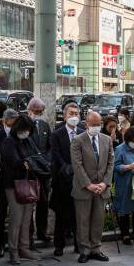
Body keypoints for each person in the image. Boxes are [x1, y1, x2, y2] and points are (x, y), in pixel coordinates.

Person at [71, 112, 114, 263]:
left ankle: (96, 248)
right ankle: (84, 250)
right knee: (83, 220)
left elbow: (110, 163)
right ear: (86, 124)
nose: (96, 127)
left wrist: (104, 183)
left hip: (101, 188)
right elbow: (77, 164)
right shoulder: (78, 140)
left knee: (98, 219)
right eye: (93, 125)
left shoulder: (107, 139)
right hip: (84, 188)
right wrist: (88, 184)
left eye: (98, 124)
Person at [0, 116, 38, 264]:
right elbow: (15, 162)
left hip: (28, 182)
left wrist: (29, 162)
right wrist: (27, 162)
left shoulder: (28, 140)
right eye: (24, 129)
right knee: (16, 218)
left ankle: (24, 248)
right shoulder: (9, 141)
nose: (26, 132)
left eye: (28, 130)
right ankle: (13, 251)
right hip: (13, 184)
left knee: (27, 218)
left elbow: (36, 157)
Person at [50, 103, 84, 257]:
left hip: (80, 181)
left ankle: (79, 244)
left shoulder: (84, 133)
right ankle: (59, 246)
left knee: (79, 216)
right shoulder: (57, 134)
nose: (74, 116)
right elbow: (55, 155)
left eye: (76, 113)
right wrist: (67, 168)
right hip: (62, 181)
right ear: (64, 116)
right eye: (71, 113)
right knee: (61, 217)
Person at [0, 108, 18, 258]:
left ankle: (16, 244)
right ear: (4, 121)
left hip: (16, 181)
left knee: (16, 214)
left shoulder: (18, 135)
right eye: (10, 123)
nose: (12, 126)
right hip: (1, 180)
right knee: (0, 214)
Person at [27, 98, 53, 244]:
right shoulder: (25, 125)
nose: (39, 114)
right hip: (31, 171)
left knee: (44, 202)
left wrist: (47, 162)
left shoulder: (44, 125)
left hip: (44, 171)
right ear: (30, 110)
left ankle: (42, 232)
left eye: (41, 112)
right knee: (29, 203)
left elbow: (50, 145)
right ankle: (29, 235)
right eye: (37, 111)